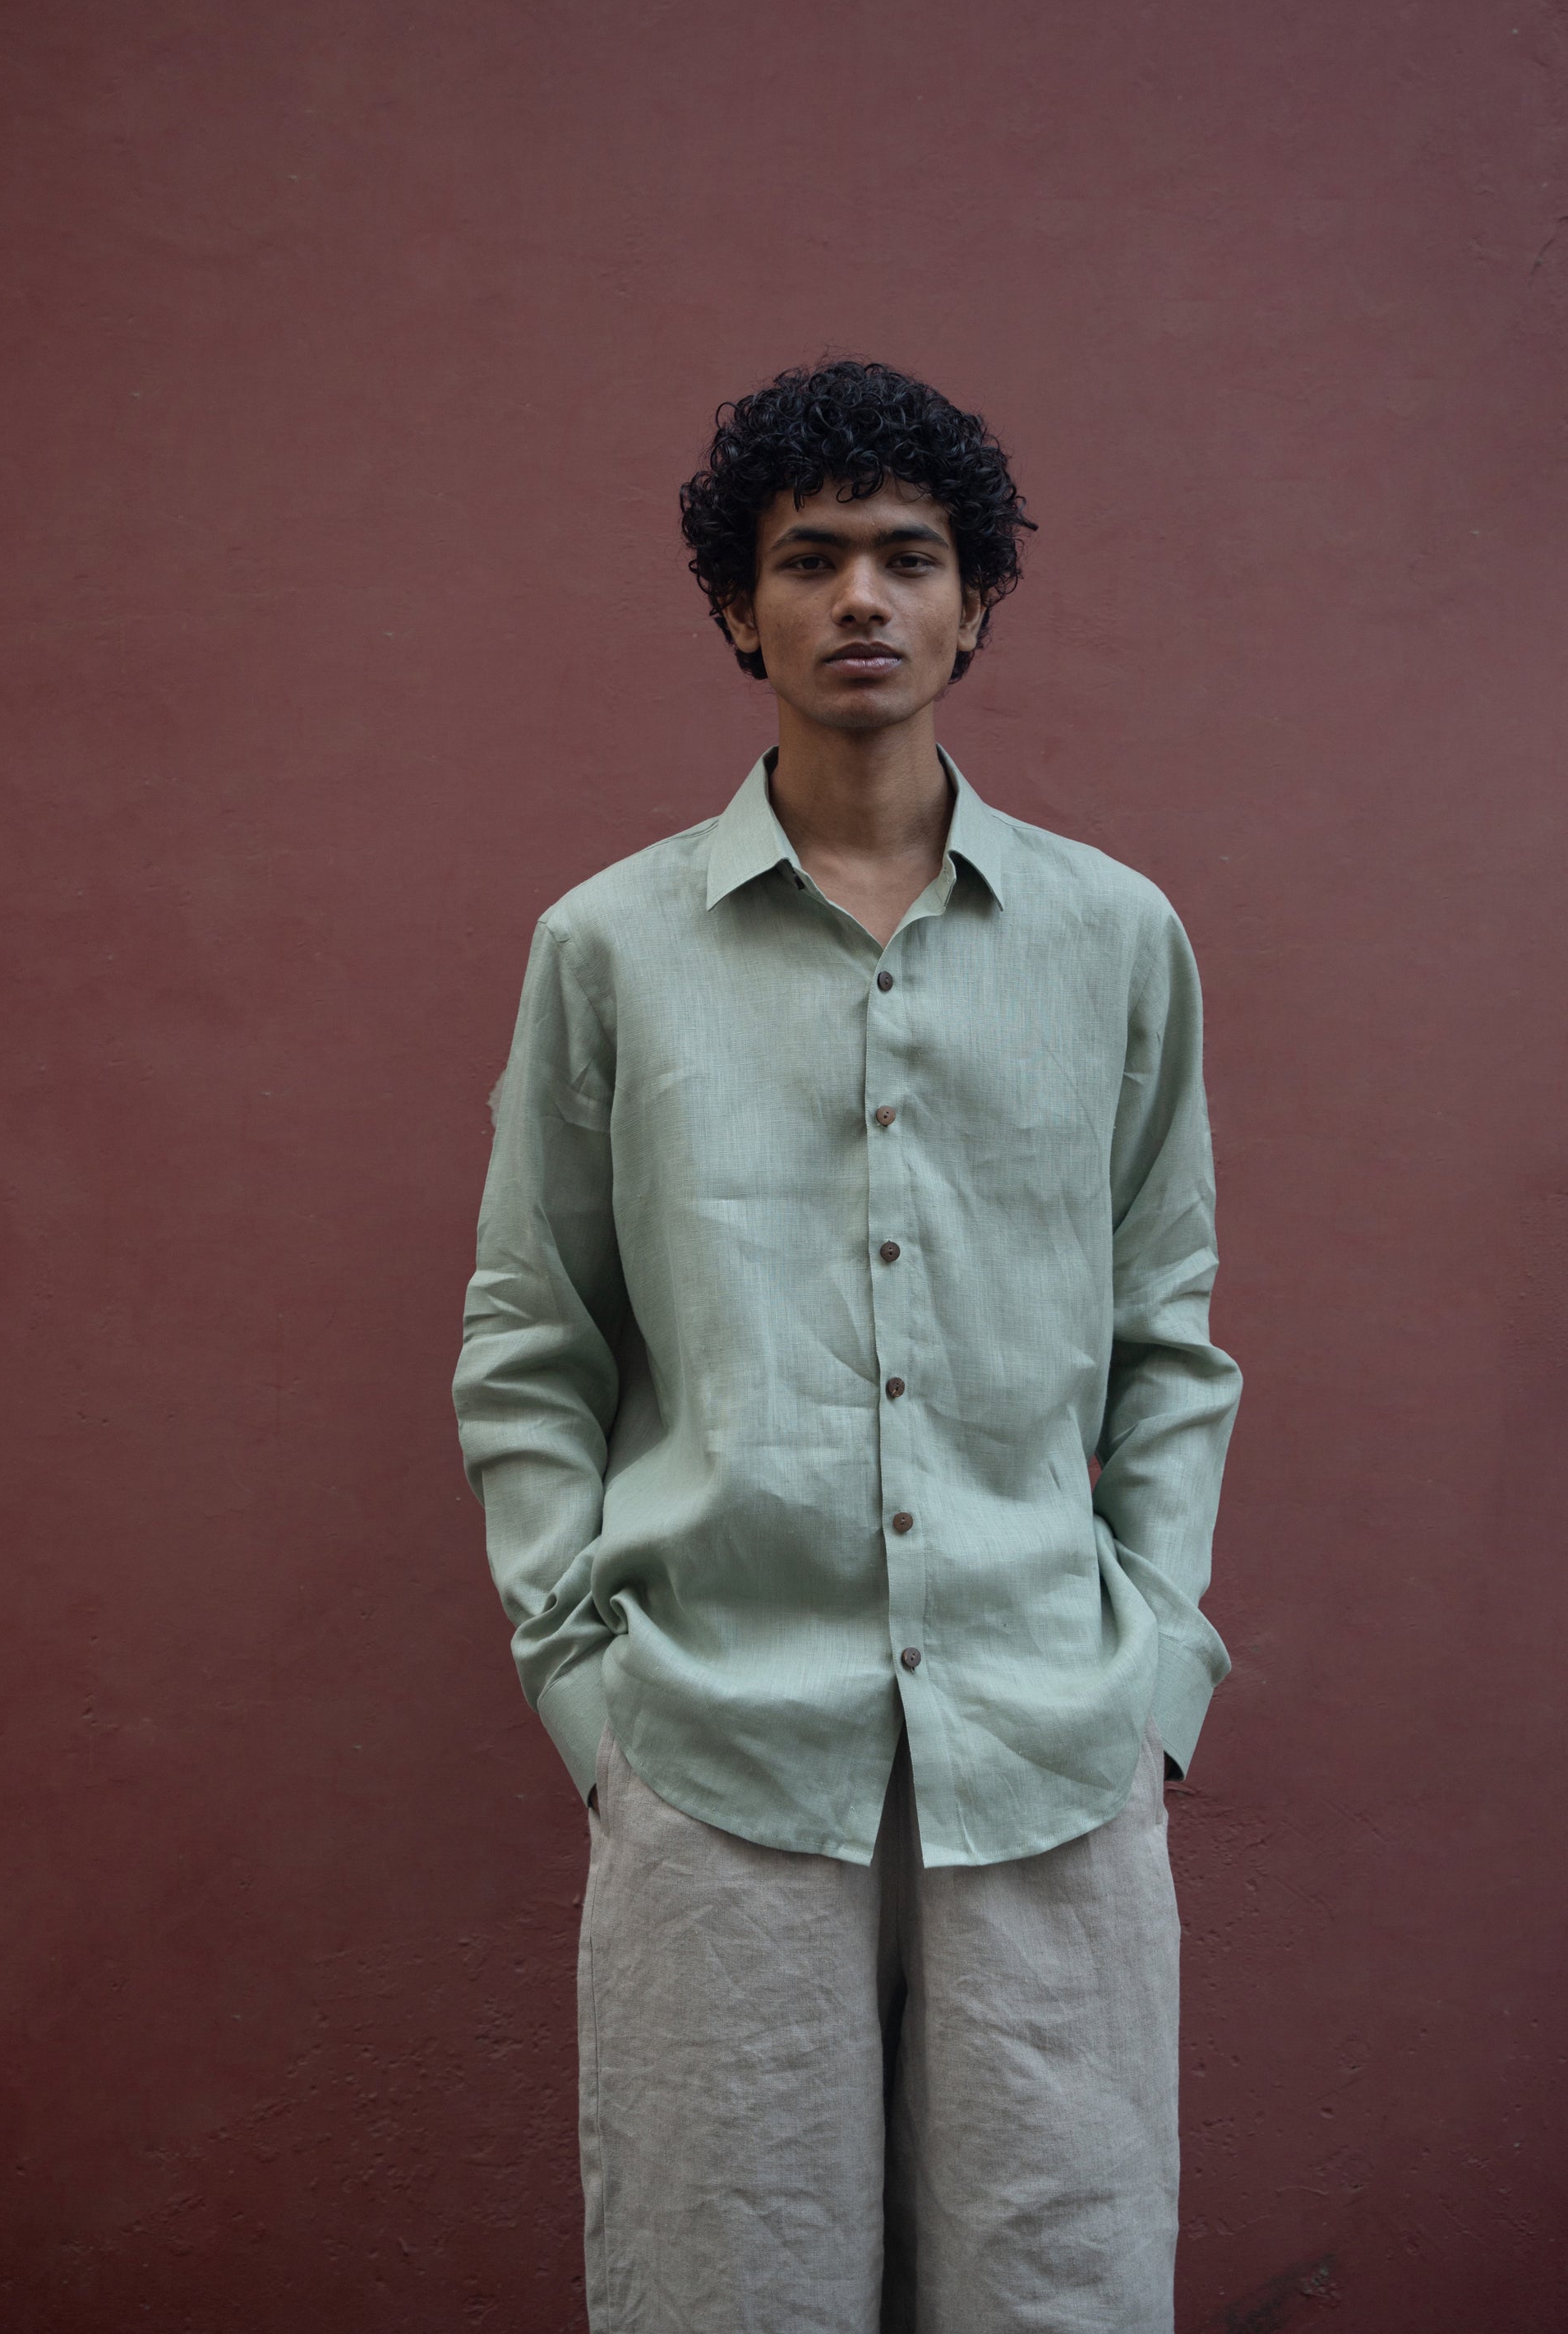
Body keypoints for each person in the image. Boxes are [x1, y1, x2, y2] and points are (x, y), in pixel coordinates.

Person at [453, 358, 1241, 2334]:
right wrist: (584, 1690)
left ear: (976, 601)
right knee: (730, 2289)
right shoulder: (608, 950)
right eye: (811, 559)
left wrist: (1154, 1665)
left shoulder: (1115, 936)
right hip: (717, 1755)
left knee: (1054, 2285)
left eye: (912, 555)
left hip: (1049, 1747)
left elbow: (1172, 1330)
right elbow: (527, 1333)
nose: (862, 598)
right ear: (740, 608)